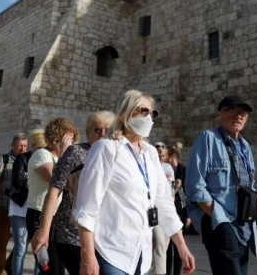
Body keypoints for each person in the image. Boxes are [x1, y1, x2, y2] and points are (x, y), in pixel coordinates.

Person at [74, 89, 195, 275]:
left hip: (141, 254)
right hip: (111, 252)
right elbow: (87, 208)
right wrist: (87, 256)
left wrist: (182, 246)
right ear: (126, 112)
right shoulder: (106, 149)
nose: (148, 117)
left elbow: (163, 202)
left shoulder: (150, 153)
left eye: (152, 113)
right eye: (143, 111)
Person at [185, 96, 257, 275]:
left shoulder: (246, 147)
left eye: (242, 112)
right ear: (219, 113)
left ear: (247, 118)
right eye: (231, 110)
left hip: (244, 225)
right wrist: (217, 217)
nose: (237, 115)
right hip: (220, 220)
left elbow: (247, 184)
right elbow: (194, 184)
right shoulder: (208, 138)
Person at [31, 111, 115, 275]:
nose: (102, 134)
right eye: (97, 130)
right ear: (88, 133)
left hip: (104, 237)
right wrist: (44, 230)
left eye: (107, 130)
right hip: (72, 234)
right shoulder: (76, 153)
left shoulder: (117, 155)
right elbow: (54, 191)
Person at [27, 117, 79, 274]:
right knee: (50, 269)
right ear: (58, 139)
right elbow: (53, 178)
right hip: (39, 215)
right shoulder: (41, 154)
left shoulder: (59, 159)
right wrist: (65, 153)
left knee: (59, 268)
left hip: (58, 218)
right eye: (69, 139)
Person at [0, 133, 28, 275]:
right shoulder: (4, 160)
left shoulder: (29, 160)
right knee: (2, 241)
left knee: (26, 239)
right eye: (19, 146)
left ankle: (10, 265)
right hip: (5, 207)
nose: (22, 149)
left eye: (25, 146)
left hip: (22, 209)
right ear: (12, 146)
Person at [9, 129, 45, 275]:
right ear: (34, 146)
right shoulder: (22, 158)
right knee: (21, 248)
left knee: (39, 247)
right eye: (40, 147)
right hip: (20, 207)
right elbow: (18, 180)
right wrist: (35, 182)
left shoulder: (47, 160)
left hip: (38, 208)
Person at [151, 142, 174, 275]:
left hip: (168, 209)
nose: (161, 156)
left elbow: (170, 190)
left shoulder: (168, 168)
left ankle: (152, 269)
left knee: (164, 243)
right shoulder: (150, 167)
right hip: (154, 210)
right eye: (159, 154)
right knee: (159, 243)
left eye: (163, 154)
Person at [165, 142, 188, 275]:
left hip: (180, 210)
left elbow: (187, 194)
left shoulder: (182, 170)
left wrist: (188, 215)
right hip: (168, 209)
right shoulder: (164, 169)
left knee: (178, 245)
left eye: (167, 155)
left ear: (172, 155)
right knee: (167, 246)